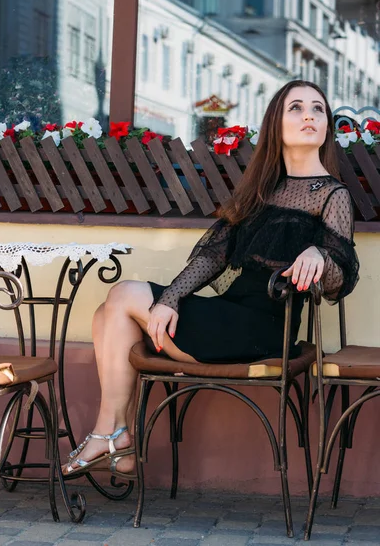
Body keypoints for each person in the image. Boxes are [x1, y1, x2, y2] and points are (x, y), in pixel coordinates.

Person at [63, 80, 359, 478]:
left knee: (122, 295)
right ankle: (119, 440)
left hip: (268, 328)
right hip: (228, 314)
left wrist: (319, 255)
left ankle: (111, 435)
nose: (309, 115)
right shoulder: (261, 190)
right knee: (107, 314)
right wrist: (170, 298)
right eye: (296, 107)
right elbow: (212, 256)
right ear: (275, 123)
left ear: (326, 127)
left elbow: (341, 276)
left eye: (318, 109)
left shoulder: (332, 194)